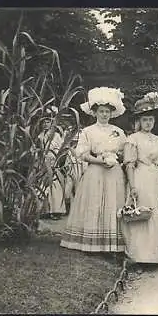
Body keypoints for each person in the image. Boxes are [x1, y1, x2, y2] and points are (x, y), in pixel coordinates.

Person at [60, 87, 127, 253]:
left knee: (112, 202)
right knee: (95, 202)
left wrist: (115, 158)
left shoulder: (118, 132)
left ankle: (111, 245)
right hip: (96, 171)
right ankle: (92, 243)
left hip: (114, 172)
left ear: (112, 113)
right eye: (101, 111)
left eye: (107, 112)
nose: (104, 114)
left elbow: (124, 152)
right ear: (95, 112)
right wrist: (100, 160)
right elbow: (82, 154)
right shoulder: (88, 131)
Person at [121, 92, 158, 270]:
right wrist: (133, 186)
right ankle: (139, 257)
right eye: (144, 120)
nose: (148, 123)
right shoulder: (132, 139)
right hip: (140, 177)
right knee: (140, 215)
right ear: (139, 122)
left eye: (150, 119)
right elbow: (129, 164)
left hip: (155, 179)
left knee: (156, 215)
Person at [38, 105, 66, 220]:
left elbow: (61, 149)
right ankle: (44, 210)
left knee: (54, 184)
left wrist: (56, 160)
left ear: (52, 123)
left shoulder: (56, 135)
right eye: (44, 122)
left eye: (48, 122)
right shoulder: (40, 136)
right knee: (42, 184)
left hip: (53, 162)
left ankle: (56, 210)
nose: (46, 124)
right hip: (43, 162)